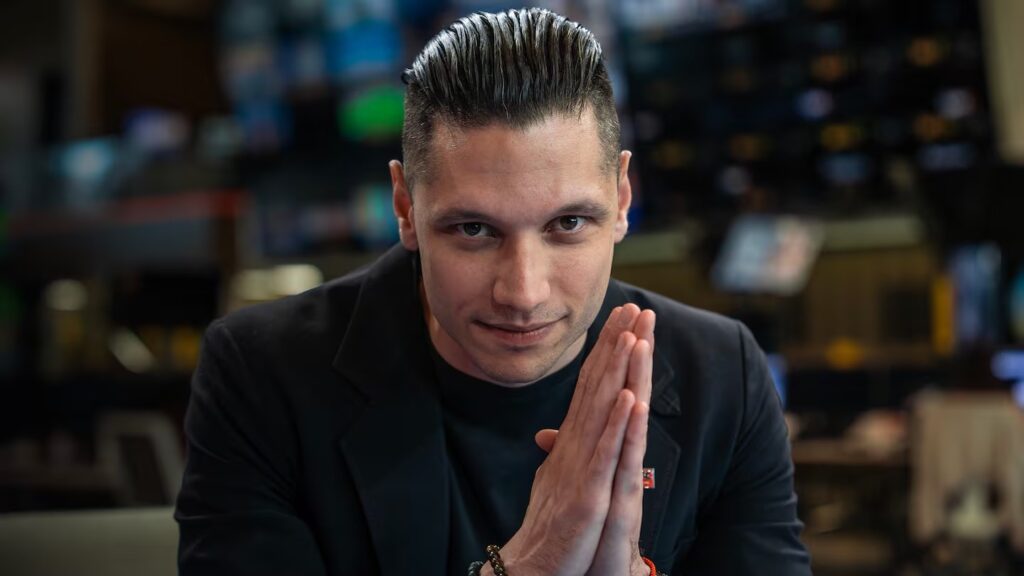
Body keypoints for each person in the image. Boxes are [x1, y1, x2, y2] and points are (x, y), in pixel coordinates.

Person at [175, 7, 810, 576]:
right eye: (474, 230)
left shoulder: (723, 376)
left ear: (621, 199)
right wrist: (531, 566)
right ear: (406, 208)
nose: (523, 292)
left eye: (568, 224)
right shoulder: (262, 374)